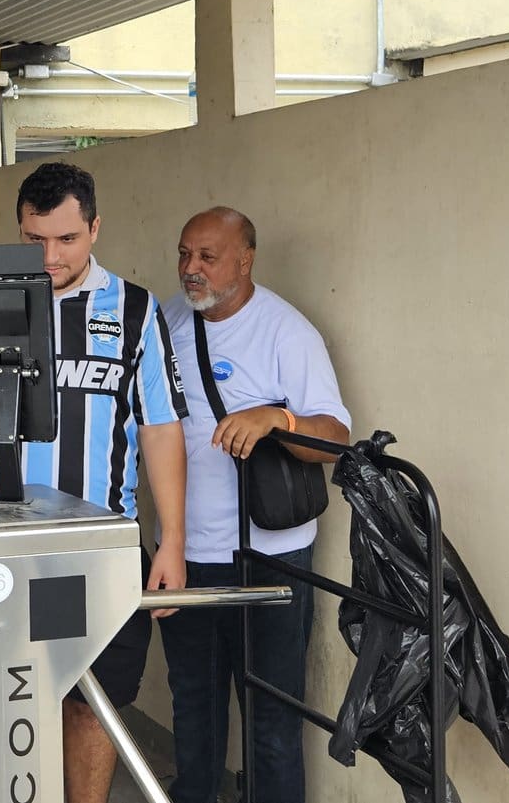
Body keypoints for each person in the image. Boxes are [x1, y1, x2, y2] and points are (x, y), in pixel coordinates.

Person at [0, 161, 188, 803]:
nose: (49, 256)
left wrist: (173, 541)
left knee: (94, 702)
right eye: (34, 238)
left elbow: (161, 428)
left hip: (97, 547)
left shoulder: (136, 309)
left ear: (95, 228)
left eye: (66, 239)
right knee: (1, 695)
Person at [158, 207, 351, 803]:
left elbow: (336, 438)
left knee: (271, 721)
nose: (191, 268)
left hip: (270, 560)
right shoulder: (166, 322)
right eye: (184, 254)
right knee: (194, 709)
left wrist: (277, 419)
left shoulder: (287, 332)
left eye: (207, 257)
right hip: (184, 554)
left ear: (245, 260)